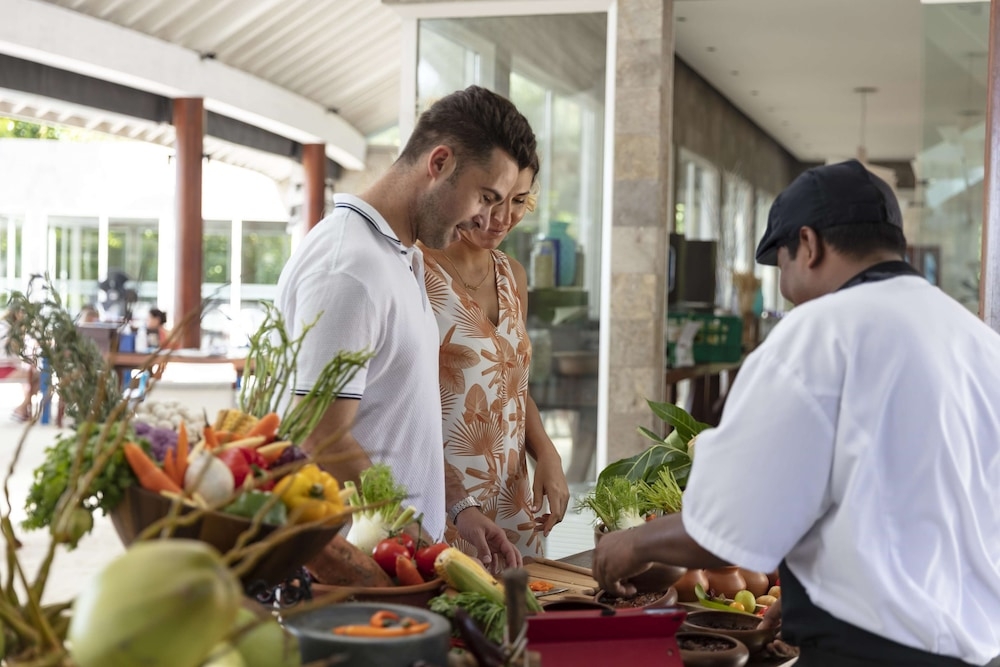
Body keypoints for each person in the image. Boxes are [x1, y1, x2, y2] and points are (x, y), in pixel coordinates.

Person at [592, 160, 1000, 667]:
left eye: (781, 267)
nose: (786, 288)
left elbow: (728, 523)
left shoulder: (821, 331)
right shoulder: (979, 343)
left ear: (808, 245)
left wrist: (630, 545)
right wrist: (822, 581)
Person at [276, 86, 537, 570]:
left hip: (393, 562)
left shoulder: (402, 255)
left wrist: (457, 508)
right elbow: (317, 436)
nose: (487, 218)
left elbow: (399, 423)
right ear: (438, 162)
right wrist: (413, 534)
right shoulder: (349, 268)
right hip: (350, 578)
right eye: (485, 196)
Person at [422, 159, 569, 564]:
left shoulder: (512, 273)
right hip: (449, 503)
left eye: (519, 200)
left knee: (523, 615)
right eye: (490, 199)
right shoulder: (415, 268)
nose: (502, 218)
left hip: (513, 499)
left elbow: (513, 386)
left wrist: (548, 455)